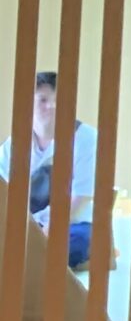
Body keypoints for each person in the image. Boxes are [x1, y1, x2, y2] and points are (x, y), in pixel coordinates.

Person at [1, 73, 97, 268]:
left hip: (73, 223)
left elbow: (82, 197)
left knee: (62, 246)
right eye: (43, 100)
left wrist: (44, 230)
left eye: (57, 100)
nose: (52, 106)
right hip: (25, 225)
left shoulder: (86, 138)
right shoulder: (16, 142)